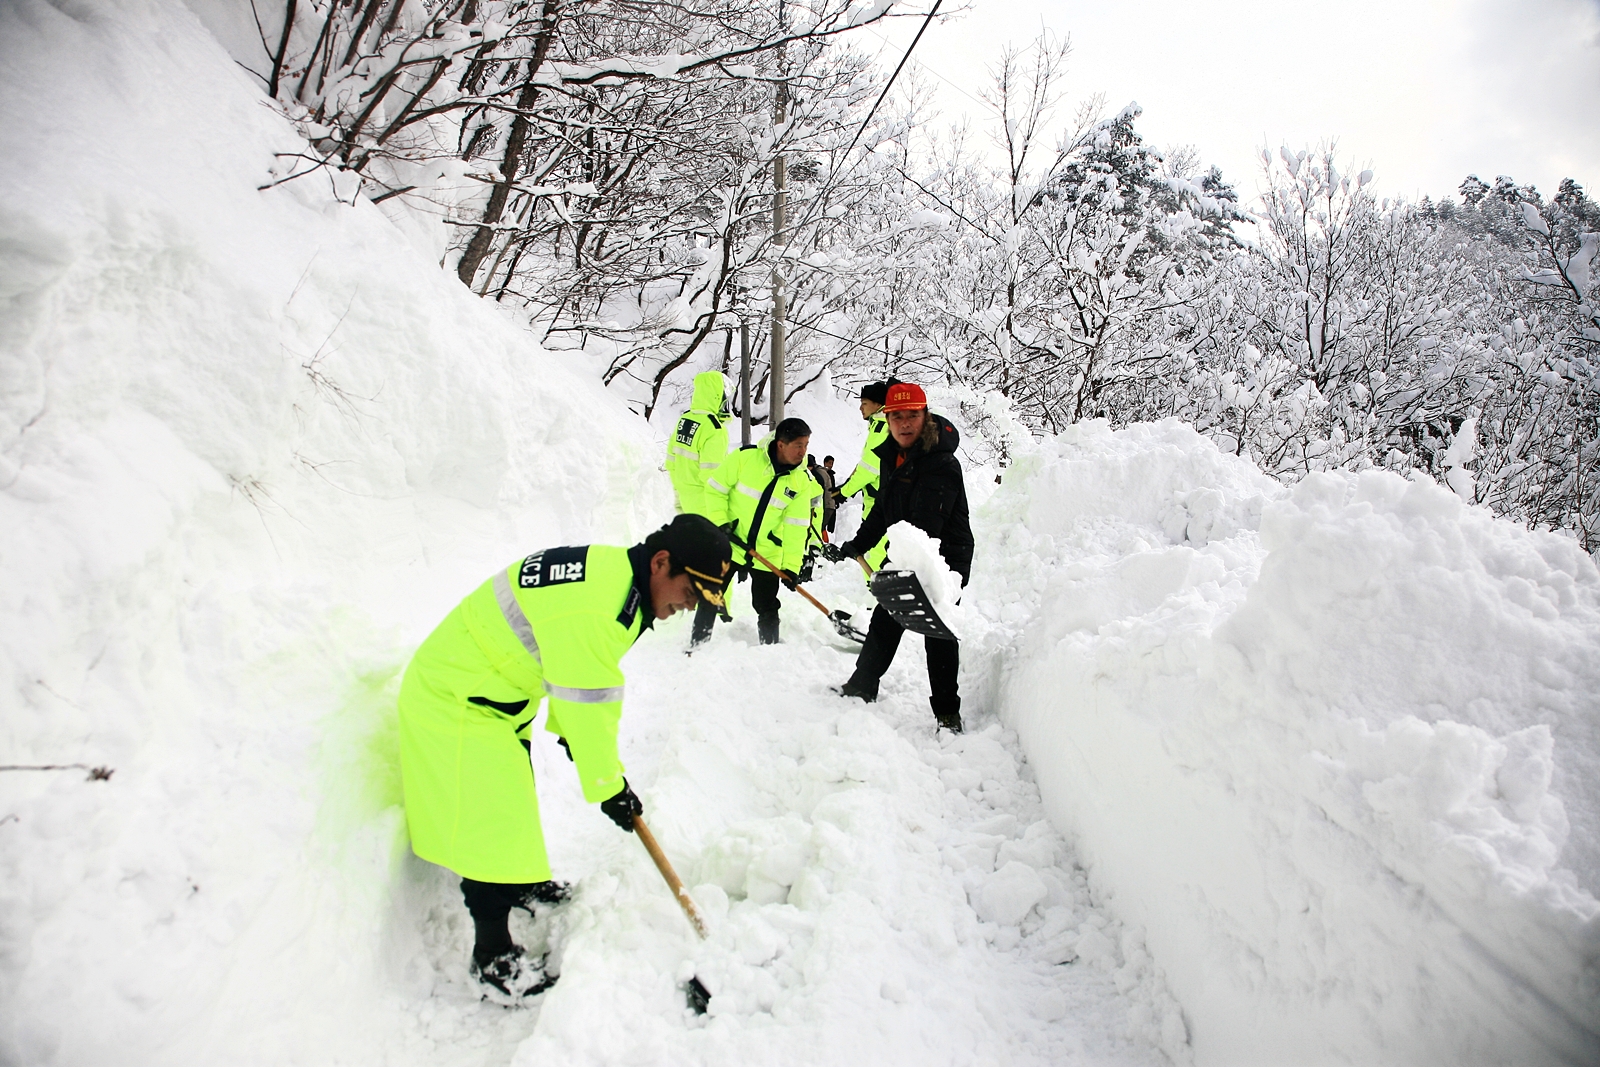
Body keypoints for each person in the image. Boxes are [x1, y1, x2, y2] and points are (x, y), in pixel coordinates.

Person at [398, 514, 733, 1001]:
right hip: (456, 699)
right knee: (491, 820)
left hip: (491, 693)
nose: (688, 606)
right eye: (690, 591)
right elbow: (587, 700)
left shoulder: (621, 580)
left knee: (511, 799)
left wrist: (579, 742)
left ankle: (523, 883)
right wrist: (610, 787)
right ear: (662, 563)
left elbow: (573, 676)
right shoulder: (602, 607)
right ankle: (492, 958)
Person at [823, 382, 973, 732]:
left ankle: (947, 713)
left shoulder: (941, 463)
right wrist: (859, 542)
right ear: (887, 419)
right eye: (897, 417)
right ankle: (862, 685)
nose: (905, 424)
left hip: (943, 556)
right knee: (885, 620)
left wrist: (906, 567)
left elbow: (927, 523)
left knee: (939, 631)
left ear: (926, 417)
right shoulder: (892, 455)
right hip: (907, 548)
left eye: (913, 416)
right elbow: (884, 508)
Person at [700, 417, 820, 645]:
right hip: (730, 541)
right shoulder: (745, 458)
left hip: (766, 552)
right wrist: (721, 522)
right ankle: (697, 641)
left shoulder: (800, 482)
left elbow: (796, 527)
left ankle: (770, 647)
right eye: (798, 445)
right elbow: (715, 489)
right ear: (781, 444)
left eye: (806, 445)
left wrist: (792, 566)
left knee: (766, 604)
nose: (803, 452)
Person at [663, 370, 730, 518]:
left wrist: (679, 495)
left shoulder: (685, 419)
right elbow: (712, 474)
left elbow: (671, 462)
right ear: (717, 396)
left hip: (685, 496)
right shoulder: (715, 429)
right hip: (705, 502)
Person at [817, 455, 840, 535]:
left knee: (829, 524)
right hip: (826, 502)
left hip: (831, 502)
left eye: (832, 463)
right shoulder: (823, 473)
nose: (830, 465)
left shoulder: (831, 475)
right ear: (825, 463)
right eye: (829, 463)